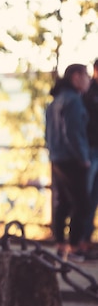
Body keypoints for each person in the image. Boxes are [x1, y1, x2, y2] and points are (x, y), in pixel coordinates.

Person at [45, 63, 92, 262]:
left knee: (62, 202)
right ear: (76, 77)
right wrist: (83, 157)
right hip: (71, 159)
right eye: (86, 75)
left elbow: (48, 133)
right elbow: (72, 132)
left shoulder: (55, 101)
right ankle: (74, 247)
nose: (89, 80)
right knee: (82, 203)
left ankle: (60, 244)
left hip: (57, 158)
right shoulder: (73, 101)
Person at [82, 59, 98, 259]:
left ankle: (86, 241)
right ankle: (82, 242)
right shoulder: (87, 94)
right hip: (91, 151)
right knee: (87, 199)